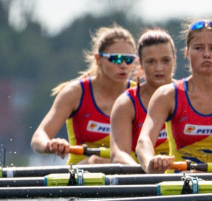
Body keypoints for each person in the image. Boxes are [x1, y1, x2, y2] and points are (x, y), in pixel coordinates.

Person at [136, 19, 212, 173]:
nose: (207, 54)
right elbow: (144, 140)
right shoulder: (167, 95)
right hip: (182, 184)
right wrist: (151, 161)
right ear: (187, 53)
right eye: (198, 48)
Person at [31, 25, 137, 164]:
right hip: (82, 175)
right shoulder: (75, 92)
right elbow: (39, 137)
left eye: (129, 59)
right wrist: (51, 145)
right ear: (98, 59)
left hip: (127, 175)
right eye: (116, 59)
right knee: (95, 162)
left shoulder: (139, 94)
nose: (124, 65)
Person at [109, 28, 176, 164]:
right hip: (142, 176)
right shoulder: (126, 103)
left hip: (182, 176)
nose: (159, 68)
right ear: (140, 64)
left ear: (174, 60)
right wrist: (148, 169)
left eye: (165, 60)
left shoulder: (187, 95)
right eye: (151, 61)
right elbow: (118, 154)